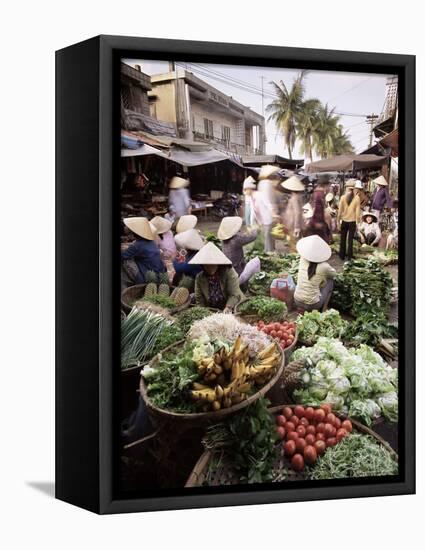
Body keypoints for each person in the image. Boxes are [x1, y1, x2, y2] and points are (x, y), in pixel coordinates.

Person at [189, 242, 244, 311]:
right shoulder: (200, 277)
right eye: (206, 265)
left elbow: (234, 294)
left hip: (234, 306)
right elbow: (199, 299)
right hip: (213, 310)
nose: (209, 267)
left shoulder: (229, 272)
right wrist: (202, 312)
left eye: (212, 264)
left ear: (218, 263)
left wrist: (228, 307)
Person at [294, 235, 337, 312]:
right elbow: (334, 274)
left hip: (297, 300)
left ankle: (303, 309)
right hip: (312, 304)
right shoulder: (324, 266)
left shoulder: (302, 259)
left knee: (318, 279)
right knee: (330, 281)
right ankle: (322, 311)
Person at [121, 217, 166, 284]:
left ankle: (132, 282)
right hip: (159, 275)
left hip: (147, 278)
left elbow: (123, 255)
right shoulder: (151, 242)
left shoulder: (137, 245)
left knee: (126, 260)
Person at [252, 164, 280, 253]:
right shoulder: (266, 184)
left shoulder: (263, 183)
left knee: (269, 235)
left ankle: (270, 250)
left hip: (267, 214)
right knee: (268, 235)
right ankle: (269, 252)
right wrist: (273, 212)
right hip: (268, 215)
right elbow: (267, 200)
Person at [337, 180, 361, 261]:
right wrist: (358, 223)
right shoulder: (357, 198)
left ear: (347, 188)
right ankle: (349, 256)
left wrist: (338, 221)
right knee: (350, 240)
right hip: (352, 221)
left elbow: (339, 211)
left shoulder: (342, 198)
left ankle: (341, 255)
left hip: (344, 220)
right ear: (354, 188)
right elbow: (358, 213)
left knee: (342, 238)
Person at [280, 175, 304, 241]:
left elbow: (297, 212)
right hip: (294, 223)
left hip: (293, 223)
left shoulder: (294, 198)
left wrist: (297, 226)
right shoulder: (297, 196)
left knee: (294, 243)